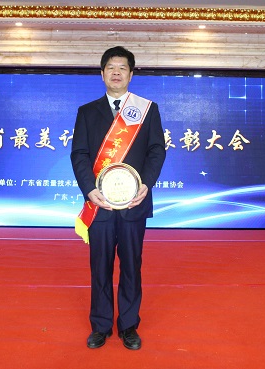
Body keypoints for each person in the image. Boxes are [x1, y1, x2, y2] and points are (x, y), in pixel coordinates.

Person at [70, 46, 166, 350]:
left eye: (122, 68)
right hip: (99, 204)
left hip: (133, 204)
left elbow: (156, 151)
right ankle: (100, 325)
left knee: (131, 266)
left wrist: (146, 184)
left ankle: (128, 325)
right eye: (110, 67)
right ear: (102, 74)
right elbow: (79, 154)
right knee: (99, 266)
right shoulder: (87, 112)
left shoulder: (147, 110)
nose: (116, 73)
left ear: (131, 74)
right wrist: (90, 190)